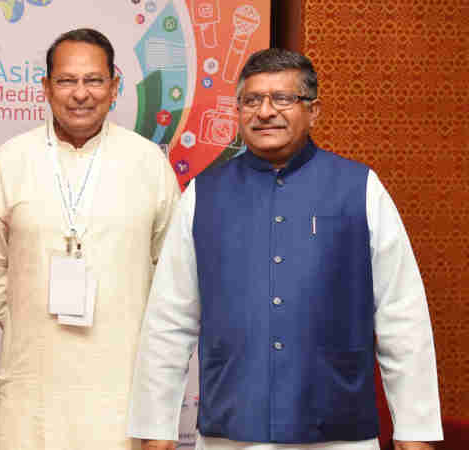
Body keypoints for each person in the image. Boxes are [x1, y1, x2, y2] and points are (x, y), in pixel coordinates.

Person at [127, 48, 442, 450]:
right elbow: (169, 318)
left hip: (336, 426)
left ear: (313, 111)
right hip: (233, 425)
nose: (264, 111)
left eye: (283, 99)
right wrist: (156, 427)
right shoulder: (204, 195)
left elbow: (403, 314)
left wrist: (415, 431)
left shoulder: (359, 188)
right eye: (252, 100)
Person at [0, 28, 180, 450]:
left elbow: (172, 272)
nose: (80, 93)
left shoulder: (147, 162)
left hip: (120, 381)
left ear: (114, 86)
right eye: (67, 81)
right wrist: (23, 322)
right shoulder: (12, 159)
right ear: (46, 87)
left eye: (94, 80)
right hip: (33, 377)